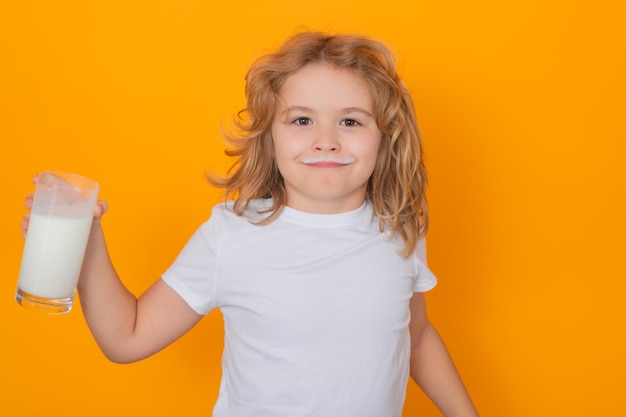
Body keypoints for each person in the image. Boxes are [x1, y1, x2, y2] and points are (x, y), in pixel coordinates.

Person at [22, 31, 479, 417]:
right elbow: (126, 337)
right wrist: (87, 242)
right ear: (271, 136)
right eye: (302, 120)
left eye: (350, 121)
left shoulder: (400, 231)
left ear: (385, 136)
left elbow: (416, 337)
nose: (325, 141)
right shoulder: (232, 236)